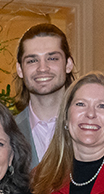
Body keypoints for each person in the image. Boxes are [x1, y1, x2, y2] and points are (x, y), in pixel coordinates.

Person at [13, 23, 76, 163]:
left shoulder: (90, 127)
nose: (42, 68)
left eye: (52, 58)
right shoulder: (7, 132)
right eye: (32, 60)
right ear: (20, 69)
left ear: (68, 65)